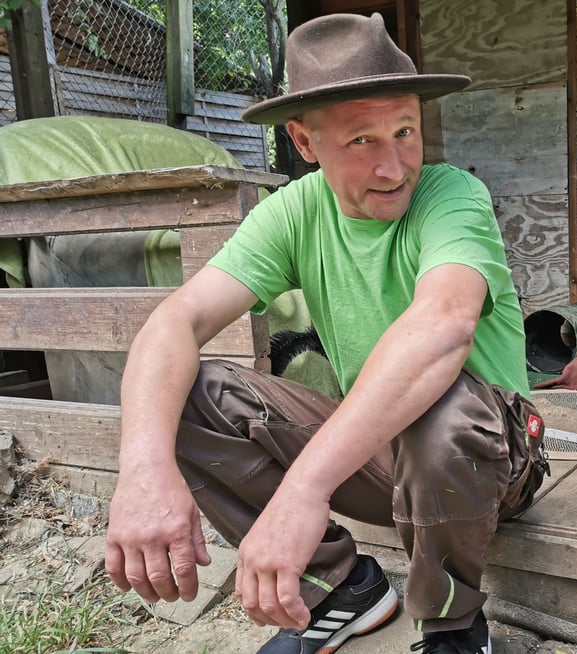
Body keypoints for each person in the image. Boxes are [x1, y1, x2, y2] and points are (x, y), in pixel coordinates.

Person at [103, 13, 547, 654]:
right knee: (187, 393)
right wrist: (141, 469)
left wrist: (302, 489)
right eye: (361, 141)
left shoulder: (453, 195)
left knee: (442, 403)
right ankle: (341, 589)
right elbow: (174, 321)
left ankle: (453, 630)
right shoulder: (292, 210)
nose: (394, 166)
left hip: (494, 456)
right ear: (305, 144)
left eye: (406, 131)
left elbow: (443, 327)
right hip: (382, 457)